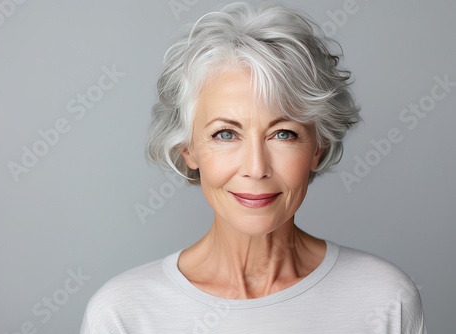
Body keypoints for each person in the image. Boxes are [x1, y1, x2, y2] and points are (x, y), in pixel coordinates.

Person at [80, 2, 426, 333]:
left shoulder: (385, 299)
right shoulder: (123, 314)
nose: (256, 167)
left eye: (283, 133)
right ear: (188, 150)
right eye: (226, 134)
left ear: (318, 148)